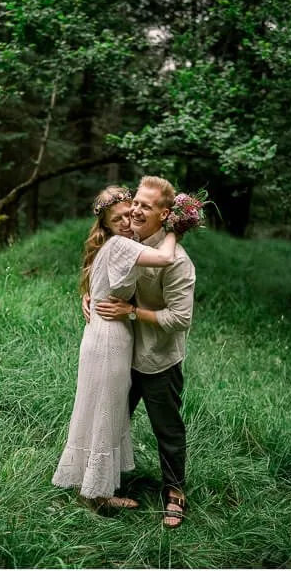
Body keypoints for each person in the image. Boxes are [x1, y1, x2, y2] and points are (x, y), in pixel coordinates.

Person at [52, 185, 178, 513]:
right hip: (110, 339)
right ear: (106, 224)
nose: (125, 222)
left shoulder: (112, 245)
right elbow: (166, 258)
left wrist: (90, 297)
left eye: (127, 215)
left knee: (98, 411)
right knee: (106, 413)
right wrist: (176, 228)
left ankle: (91, 486)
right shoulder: (120, 244)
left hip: (101, 335)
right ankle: (97, 495)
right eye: (116, 219)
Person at [89, 176, 195, 528]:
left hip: (157, 359)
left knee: (168, 430)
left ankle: (175, 493)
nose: (135, 210)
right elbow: (100, 269)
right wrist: (89, 295)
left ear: (164, 215)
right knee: (111, 419)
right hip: (120, 351)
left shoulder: (177, 262)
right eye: (135, 202)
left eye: (145, 207)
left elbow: (180, 318)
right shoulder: (125, 240)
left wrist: (132, 312)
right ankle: (100, 486)